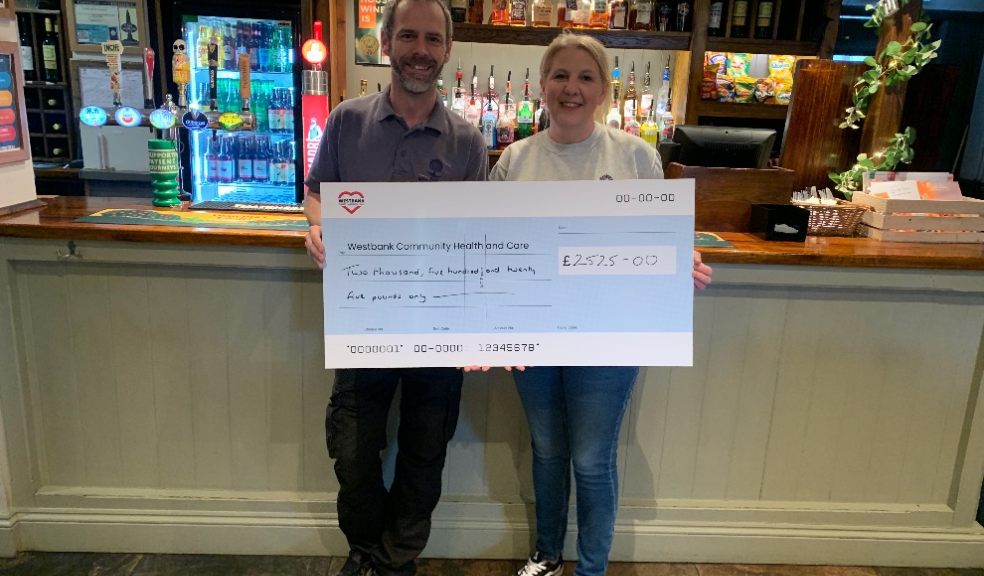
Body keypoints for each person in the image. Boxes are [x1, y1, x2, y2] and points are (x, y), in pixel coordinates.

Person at [488, 32, 713, 576]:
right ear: (542, 87)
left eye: (585, 77)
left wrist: (683, 258)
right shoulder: (513, 161)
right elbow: (489, 249)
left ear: (604, 89)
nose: (572, 88)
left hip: (610, 333)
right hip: (532, 331)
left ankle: (591, 568)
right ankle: (546, 555)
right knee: (545, 450)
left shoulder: (636, 156)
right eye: (560, 76)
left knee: (590, 458)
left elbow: (663, 239)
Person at [302, 0, 487, 574]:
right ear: (386, 44)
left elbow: (482, 234)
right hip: (364, 320)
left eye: (433, 39)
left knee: (424, 451)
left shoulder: (468, 141)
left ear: (447, 50)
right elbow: (316, 194)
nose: (420, 50)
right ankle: (365, 550)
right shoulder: (346, 121)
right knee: (355, 451)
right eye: (408, 36)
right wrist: (314, 227)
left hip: (439, 326)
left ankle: (396, 561)